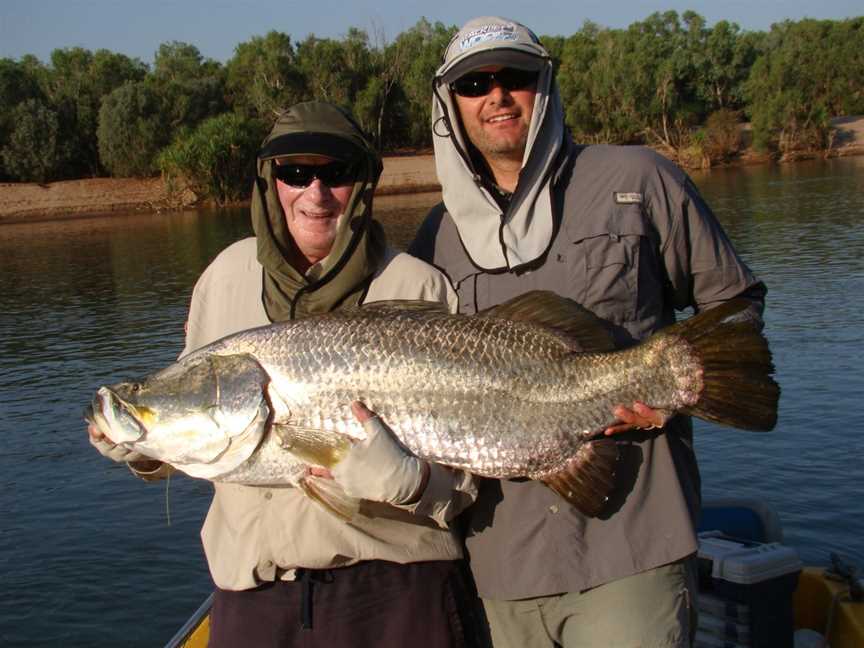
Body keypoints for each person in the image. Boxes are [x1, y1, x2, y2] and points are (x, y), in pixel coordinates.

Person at [408, 16, 768, 648]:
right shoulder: (434, 238)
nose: (496, 96)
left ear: (542, 85)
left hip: (633, 545)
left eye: (514, 76)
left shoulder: (639, 179)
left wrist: (662, 405)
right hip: (501, 566)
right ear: (451, 103)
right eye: (474, 83)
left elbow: (733, 305)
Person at [89, 100, 482, 648]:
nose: (315, 193)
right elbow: (211, 428)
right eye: (295, 173)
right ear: (270, 183)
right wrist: (147, 450)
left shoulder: (419, 288)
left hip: (398, 594)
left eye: (336, 173)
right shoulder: (222, 279)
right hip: (254, 598)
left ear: (364, 184)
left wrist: (412, 482)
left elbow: (470, 477)